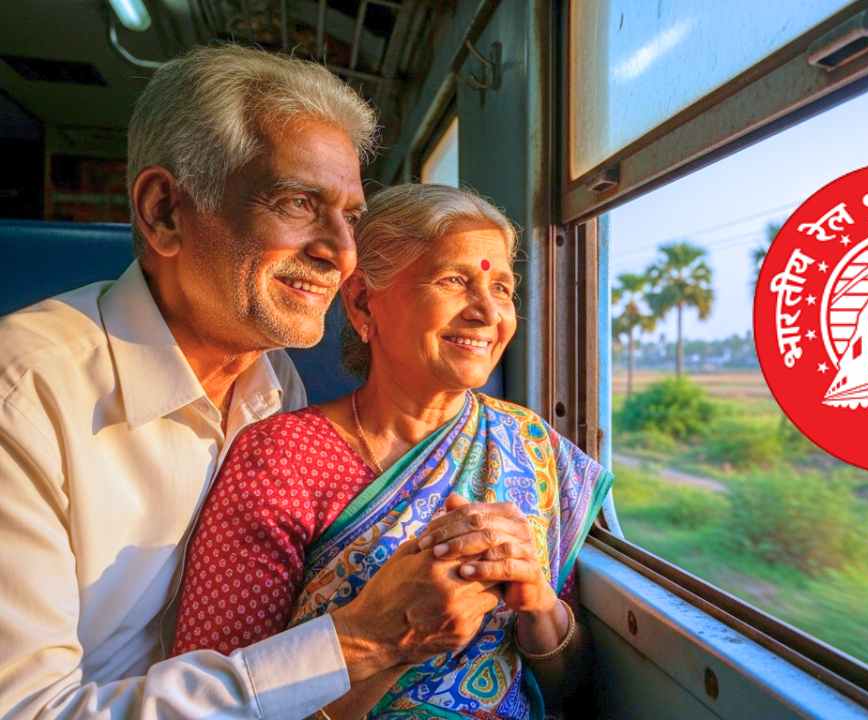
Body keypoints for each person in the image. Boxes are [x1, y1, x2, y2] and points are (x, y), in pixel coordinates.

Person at [0, 46, 503, 720]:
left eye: (350, 216)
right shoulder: (25, 396)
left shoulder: (275, 386)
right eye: (298, 203)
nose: (341, 252)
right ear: (165, 212)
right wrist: (355, 642)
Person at [170, 184, 614, 719]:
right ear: (362, 302)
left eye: (502, 288)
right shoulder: (281, 457)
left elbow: (568, 687)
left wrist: (539, 603)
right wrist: (399, 643)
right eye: (454, 280)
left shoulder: (531, 445)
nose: (486, 312)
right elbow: (216, 706)